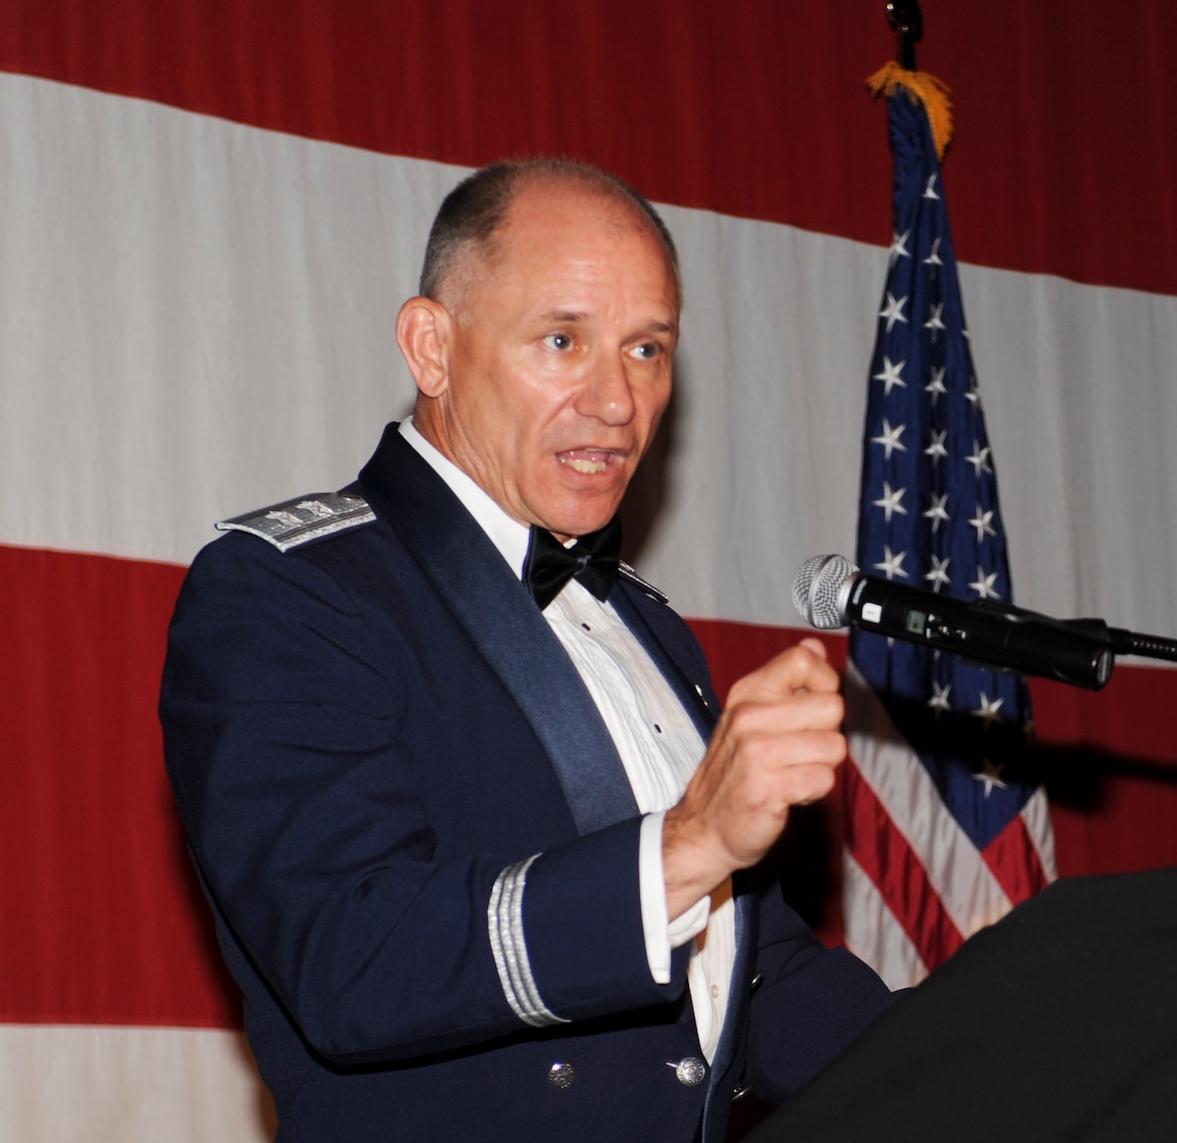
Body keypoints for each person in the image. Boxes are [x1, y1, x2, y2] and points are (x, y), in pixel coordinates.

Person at [160, 159, 893, 1143]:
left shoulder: (643, 624)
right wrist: (691, 842)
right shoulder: (292, 590)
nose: (618, 401)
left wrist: (1013, 1068)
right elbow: (352, 960)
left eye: (646, 349)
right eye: (562, 340)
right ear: (432, 348)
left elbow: (745, 978)